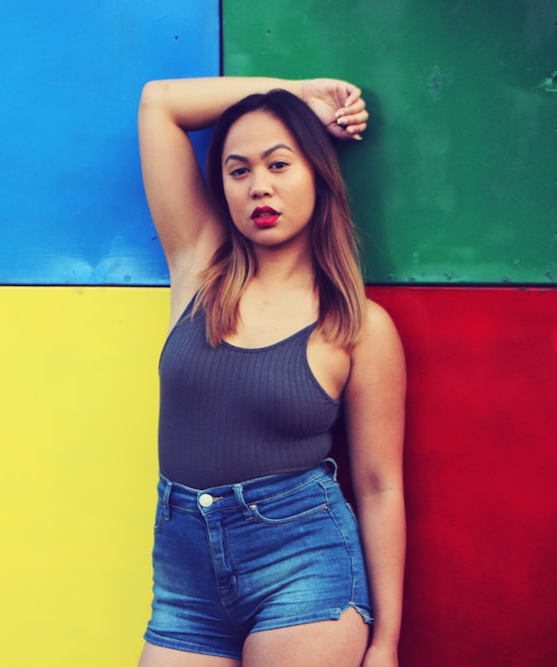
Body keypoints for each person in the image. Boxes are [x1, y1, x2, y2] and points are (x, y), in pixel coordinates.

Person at [135, 76, 405, 667]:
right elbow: (160, 103)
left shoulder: (357, 325)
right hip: (184, 580)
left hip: (305, 567)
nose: (260, 185)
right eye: (239, 170)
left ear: (316, 174)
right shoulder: (199, 265)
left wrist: (385, 643)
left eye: (279, 164)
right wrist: (300, 94)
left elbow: (380, 487)